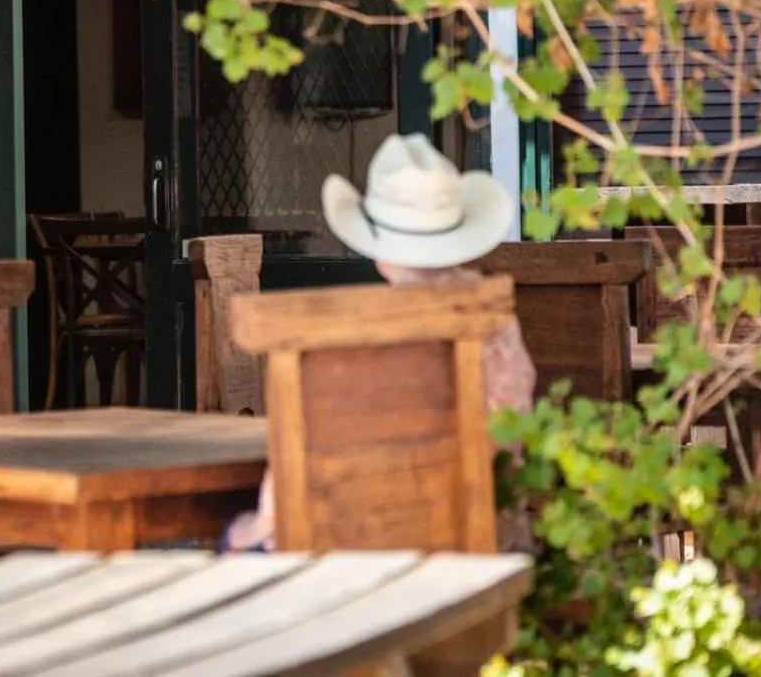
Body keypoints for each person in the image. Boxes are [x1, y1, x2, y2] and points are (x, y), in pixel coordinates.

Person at [221, 133, 538, 553]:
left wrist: (264, 525)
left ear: (378, 252)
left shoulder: (338, 328)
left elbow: (295, 471)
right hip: (478, 531)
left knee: (236, 541)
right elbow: (515, 426)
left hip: (345, 538)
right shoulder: (492, 316)